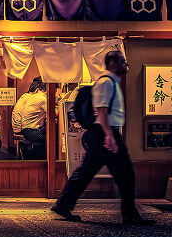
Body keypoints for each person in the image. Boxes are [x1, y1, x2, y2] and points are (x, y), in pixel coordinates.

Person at [51, 50, 156, 225]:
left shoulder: (111, 82)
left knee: (87, 171)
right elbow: (101, 110)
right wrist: (109, 136)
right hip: (103, 132)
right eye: (123, 61)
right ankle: (129, 214)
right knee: (126, 173)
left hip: (100, 133)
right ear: (113, 63)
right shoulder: (106, 82)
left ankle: (64, 204)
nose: (126, 65)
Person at [12, 77, 47, 159]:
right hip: (22, 129)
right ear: (37, 89)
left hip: (20, 127)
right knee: (50, 137)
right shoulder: (32, 98)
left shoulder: (25, 96)